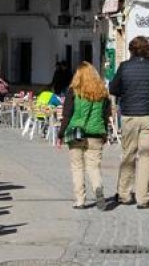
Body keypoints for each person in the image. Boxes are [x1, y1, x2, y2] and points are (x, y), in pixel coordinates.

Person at [108, 36, 149, 209]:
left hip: (130, 116)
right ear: (148, 49)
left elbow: (113, 88)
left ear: (131, 50)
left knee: (128, 154)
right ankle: (143, 199)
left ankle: (124, 194)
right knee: (146, 156)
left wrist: (126, 91)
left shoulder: (124, 67)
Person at [60, 62, 112, 210]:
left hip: (76, 132)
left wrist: (60, 133)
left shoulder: (73, 91)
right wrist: (105, 133)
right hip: (96, 133)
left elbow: (67, 114)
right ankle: (98, 188)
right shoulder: (103, 93)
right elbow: (106, 116)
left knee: (77, 167)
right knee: (93, 167)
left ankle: (80, 200)